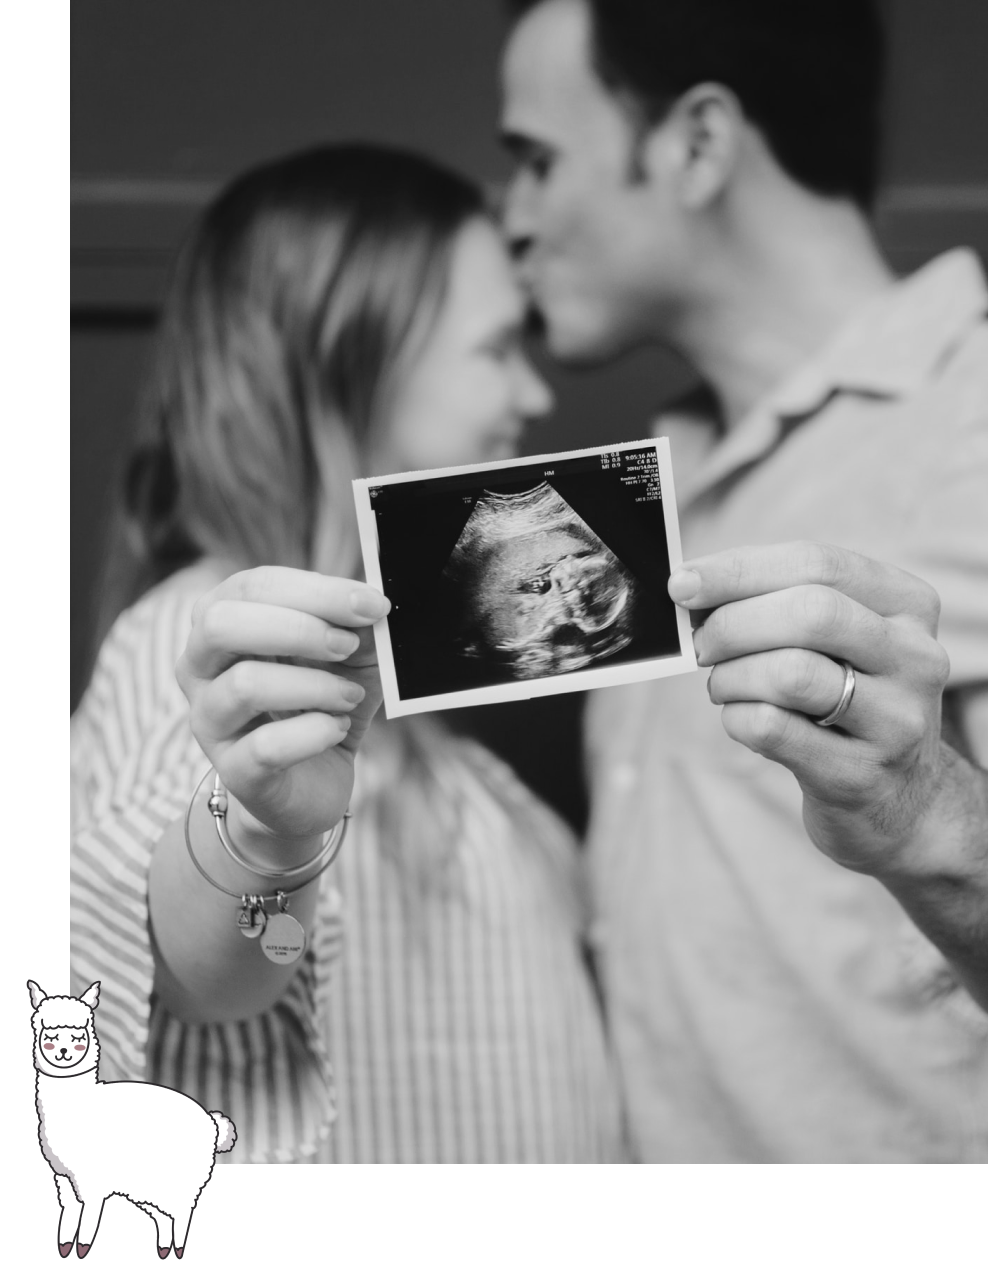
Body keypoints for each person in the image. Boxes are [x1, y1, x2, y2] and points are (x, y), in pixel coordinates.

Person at [499, 0, 988, 1161]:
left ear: (698, 144)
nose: (508, 219)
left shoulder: (973, 426)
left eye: (535, 160)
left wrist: (931, 815)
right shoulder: (642, 495)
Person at [69, 143, 623, 1164]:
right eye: (496, 347)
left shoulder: (404, 716)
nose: (532, 396)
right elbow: (196, 975)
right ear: (346, 359)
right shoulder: (210, 652)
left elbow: (307, 949)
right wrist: (269, 847)